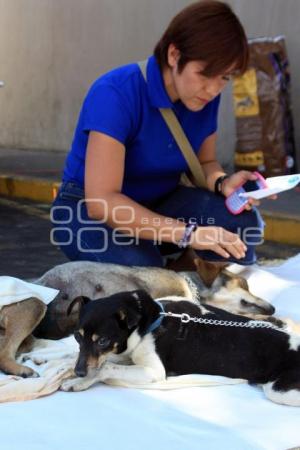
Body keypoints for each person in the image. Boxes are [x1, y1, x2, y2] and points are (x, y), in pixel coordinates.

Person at [51, 0, 271, 268]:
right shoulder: (115, 93)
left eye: (225, 77)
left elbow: (204, 163)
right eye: (205, 74)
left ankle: (191, 284)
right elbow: (103, 202)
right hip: (88, 209)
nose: (213, 89)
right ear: (174, 55)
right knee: (144, 270)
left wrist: (223, 183)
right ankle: (165, 283)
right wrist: (189, 234)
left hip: (161, 199)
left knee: (243, 225)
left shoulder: (204, 98)